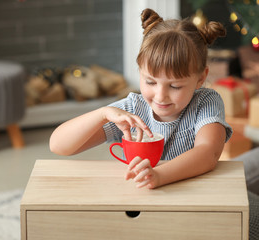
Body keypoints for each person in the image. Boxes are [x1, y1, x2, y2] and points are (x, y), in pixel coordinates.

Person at [50, 8, 232, 189]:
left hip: (191, 198)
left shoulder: (206, 102)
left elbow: (208, 153)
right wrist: (102, 113)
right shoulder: (132, 109)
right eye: (150, 82)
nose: (160, 96)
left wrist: (159, 176)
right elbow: (59, 146)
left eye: (175, 86)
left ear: (201, 78)